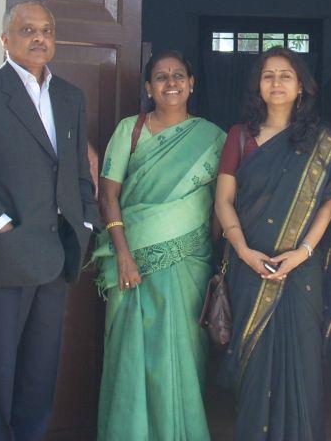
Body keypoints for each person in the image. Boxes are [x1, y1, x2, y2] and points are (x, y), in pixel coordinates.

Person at [0, 0, 100, 441]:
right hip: (0, 262)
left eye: (46, 30)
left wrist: (85, 225)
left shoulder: (70, 97)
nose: (39, 37)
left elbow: (79, 172)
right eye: (27, 30)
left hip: (53, 260)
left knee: (37, 378)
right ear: (5, 39)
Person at [214, 46, 331, 441]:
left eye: (285, 75)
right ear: (258, 86)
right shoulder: (240, 137)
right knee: (254, 366)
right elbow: (223, 200)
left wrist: (303, 252)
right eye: (268, 75)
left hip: (302, 269)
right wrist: (243, 251)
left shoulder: (323, 143)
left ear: (301, 87)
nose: (276, 82)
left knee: (303, 367)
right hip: (250, 266)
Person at [90, 50, 226, 441]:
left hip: (190, 263)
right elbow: (108, 196)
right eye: (161, 77)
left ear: (191, 83)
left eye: (178, 75)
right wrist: (123, 254)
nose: (171, 83)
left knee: (181, 356)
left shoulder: (212, 138)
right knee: (132, 355)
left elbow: (221, 203)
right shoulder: (129, 130)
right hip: (131, 261)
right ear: (148, 88)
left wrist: (203, 250)